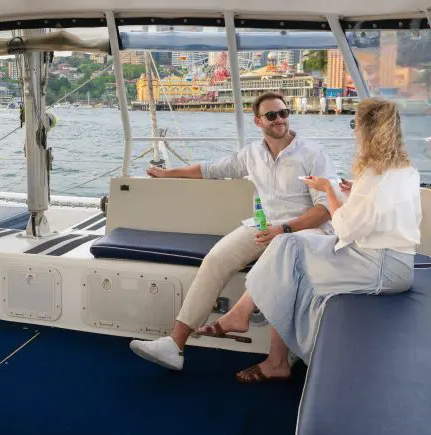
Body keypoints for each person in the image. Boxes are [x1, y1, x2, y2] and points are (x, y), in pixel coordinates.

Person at [200, 98, 419, 383]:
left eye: (355, 125)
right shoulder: (403, 169)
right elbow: (379, 214)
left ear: (368, 130)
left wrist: (328, 189)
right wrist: (354, 193)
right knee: (285, 244)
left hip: (381, 267)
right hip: (388, 258)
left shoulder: (373, 176)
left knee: (290, 270)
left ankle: (283, 354)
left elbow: (344, 229)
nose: (354, 132)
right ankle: (243, 318)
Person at [129, 92, 337, 371]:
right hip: (264, 226)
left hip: (305, 231)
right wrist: (168, 173)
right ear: (258, 121)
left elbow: (325, 209)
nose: (280, 120)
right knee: (215, 260)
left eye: (284, 113)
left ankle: (262, 342)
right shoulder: (252, 154)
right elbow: (211, 169)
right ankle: (175, 344)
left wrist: (283, 229)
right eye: (272, 115)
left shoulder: (312, 153)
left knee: (278, 256)